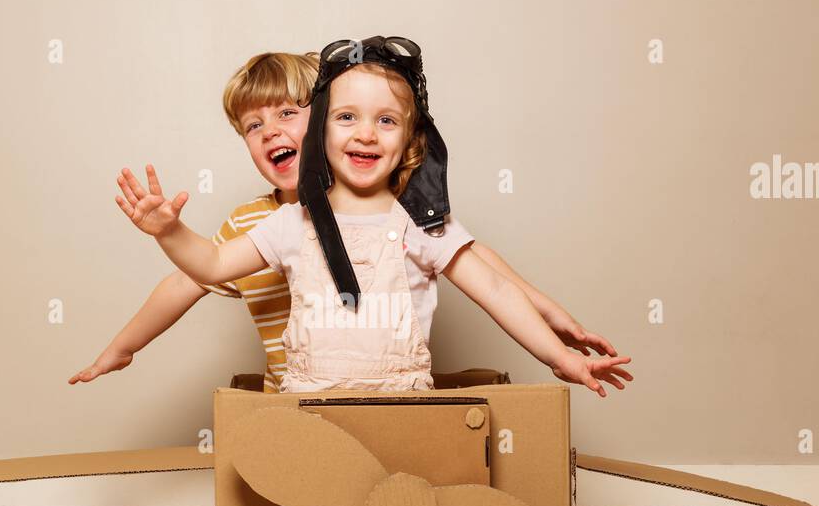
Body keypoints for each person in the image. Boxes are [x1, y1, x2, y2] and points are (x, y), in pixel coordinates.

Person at [71, 49, 624, 392]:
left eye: (289, 113)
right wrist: (167, 237)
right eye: (253, 125)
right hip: (303, 398)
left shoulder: (409, 213)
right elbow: (198, 270)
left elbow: (490, 277)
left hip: (395, 397)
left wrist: (557, 338)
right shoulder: (275, 224)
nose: (271, 131)